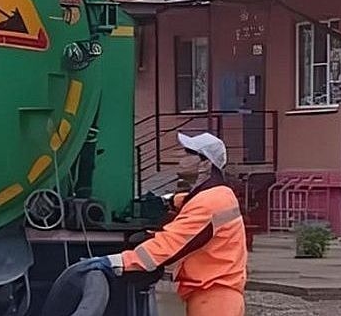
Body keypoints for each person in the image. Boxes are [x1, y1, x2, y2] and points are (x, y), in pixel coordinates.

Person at [78, 132, 247, 316]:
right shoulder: (219, 195)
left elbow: (169, 246)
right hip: (218, 296)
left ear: (206, 164)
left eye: (188, 153)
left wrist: (116, 262)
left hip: (214, 300)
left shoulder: (210, 202)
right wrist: (168, 201)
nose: (181, 158)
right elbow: (192, 203)